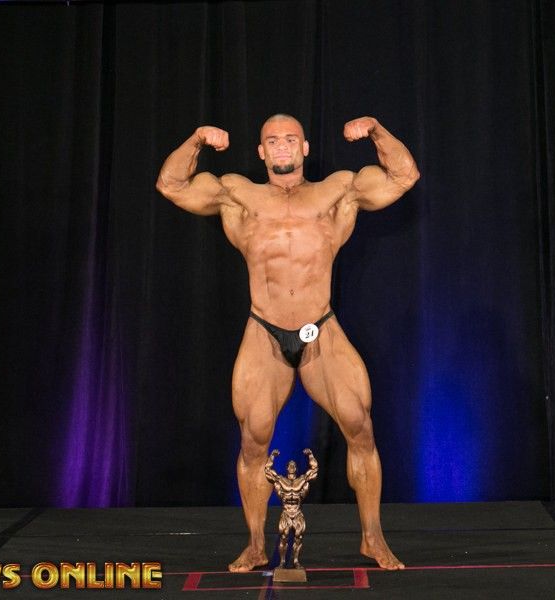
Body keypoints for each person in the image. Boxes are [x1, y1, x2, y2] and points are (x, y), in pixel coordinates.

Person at [155, 113, 419, 571]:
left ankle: (373, 538)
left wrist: (377, 129)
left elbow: (403, 175)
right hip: (264, 330)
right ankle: (256, 544)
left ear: (305, 148)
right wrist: (196, 139)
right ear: (261, 152)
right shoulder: (238, 194)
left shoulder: (337, 190)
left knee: (360, 427)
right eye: (273, 141)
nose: (282, 147)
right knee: (254, 440)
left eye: (290, 140)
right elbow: (171, 184)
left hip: (322, 328)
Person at [264, 448, 318, 569]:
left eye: (294, 465)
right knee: (284, 536)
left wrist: (310, 455)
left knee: (299, 537)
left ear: (296, 469)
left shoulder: (302, 479)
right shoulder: (281, 480)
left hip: (297, 511)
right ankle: (282, 561)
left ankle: (296, 561)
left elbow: (314, 470)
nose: (292, 467)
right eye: (290, 465)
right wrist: (272, 456)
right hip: (286, 512)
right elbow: (267, 471)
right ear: (287, 468)